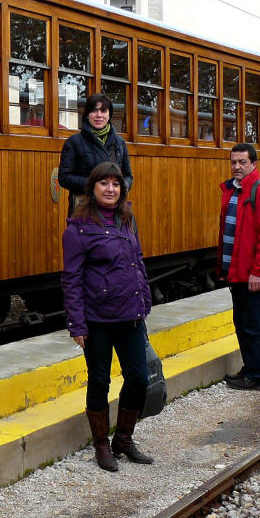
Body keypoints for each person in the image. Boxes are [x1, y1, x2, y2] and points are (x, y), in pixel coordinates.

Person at [62, 161, 153, 472]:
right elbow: (71, 279)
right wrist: (76, 323)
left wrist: (144, 297)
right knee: (99, 381)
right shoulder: (77, 228)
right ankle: (101, 444)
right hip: (97, 320)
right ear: (93, 188)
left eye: (115, 184)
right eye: (104, 183)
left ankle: (123, 439)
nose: (110, 189)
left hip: (130, 316)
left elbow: (137, 260)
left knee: (138, 379)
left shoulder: (127, 219)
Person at [217, 143, 260, 391]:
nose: (237, 167)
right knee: (242, 323)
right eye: (233, 162)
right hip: (236, 270)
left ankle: (257, 376)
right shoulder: (233, 190)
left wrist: (258, 272)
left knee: (253, 326)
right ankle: (249, 369)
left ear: (253, 163)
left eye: (242, 162)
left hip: (250, 273)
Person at [58, 94, 133, 213]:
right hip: (84, 208)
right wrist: (95, 185)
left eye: (103, 111)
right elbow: (64, 178)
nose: (99, 115)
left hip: (114, 208)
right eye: (94, 110)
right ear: (87, 114)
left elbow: (128, 176)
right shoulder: (74, 142)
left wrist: (121, 187)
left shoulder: (119, 142)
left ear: (109, 114)